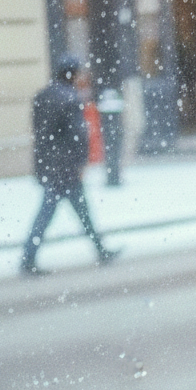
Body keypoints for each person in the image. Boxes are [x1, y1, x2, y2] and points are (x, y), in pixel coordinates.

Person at [21, 56, 119, 275]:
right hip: (66, 169)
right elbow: (79, 135)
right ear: (72, 75)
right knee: (55, 213)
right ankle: (28, 258)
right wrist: (81, 162)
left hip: (48, 165)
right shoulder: (71, 98)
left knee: (72, 212)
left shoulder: (42, 96)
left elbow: (39, 132)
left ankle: (100, 250)